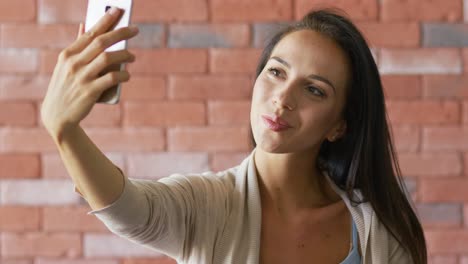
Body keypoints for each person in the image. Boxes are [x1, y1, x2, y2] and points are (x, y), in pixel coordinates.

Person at [41, 6, 427, 264]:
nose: (283, 99)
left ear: (339, 125)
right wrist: (65, 130)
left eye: (314, 90)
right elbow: (129, 211)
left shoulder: (379, 233)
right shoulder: (209, 206)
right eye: (276, 72)